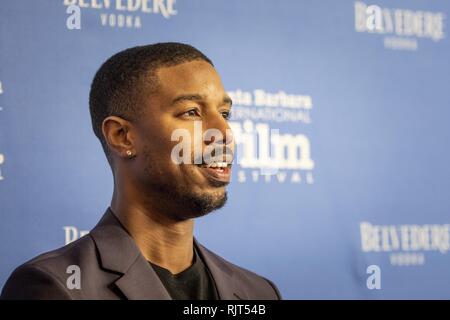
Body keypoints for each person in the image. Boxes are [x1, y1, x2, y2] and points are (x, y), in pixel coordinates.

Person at [1, 43, 281, 300]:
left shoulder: (258, 293)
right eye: (192, 112)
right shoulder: (56, 286)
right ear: (122, 136)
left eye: (225, 113)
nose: (223, 132)